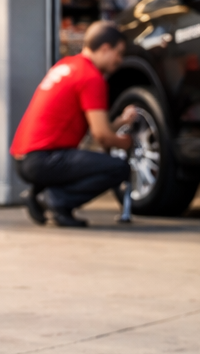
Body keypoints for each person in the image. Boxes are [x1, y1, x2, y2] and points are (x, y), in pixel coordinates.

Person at [10, 20, 138, 227]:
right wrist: (126, 142)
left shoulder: (67, 65)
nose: (119, 61)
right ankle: (57, 200)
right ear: (105, 48)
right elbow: (101, 136)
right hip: (43, 160)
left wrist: (121, 122)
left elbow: (98, 126)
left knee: (82, 161)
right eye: (119, 53)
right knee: (118, 168)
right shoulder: (92, 77)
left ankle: (37, 194)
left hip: (24, 160)